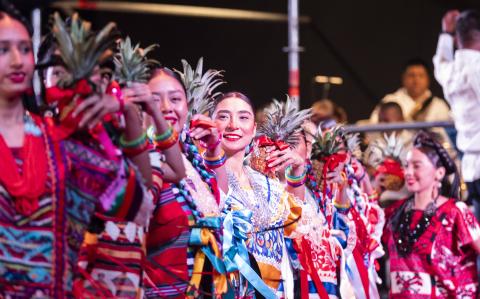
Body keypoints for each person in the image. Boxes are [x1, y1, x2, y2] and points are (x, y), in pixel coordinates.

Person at [0, 2, 153, 298]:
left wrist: (104, 126)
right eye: (3, 50)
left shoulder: (62, 144)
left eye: (24, 48)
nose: (18, 60)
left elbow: (137, 205)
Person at [142, 67, 228, 298]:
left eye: (175, 99)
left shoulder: (189, 160)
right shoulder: (139, 161)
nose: (166, 108)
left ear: (187, 106)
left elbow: (218, 205)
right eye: (154, 100)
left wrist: (213, 149)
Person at [212, 92, 308, 298]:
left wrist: (298, 169)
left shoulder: (266, 183)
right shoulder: (204, 177)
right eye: (223, 116)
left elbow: (295, 224)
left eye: (243, 117)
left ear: (254, 128)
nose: (233, 125)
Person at [383, 131, 480, 298]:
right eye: (406, 165)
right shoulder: (395, 211)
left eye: (417, 165)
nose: (408, 172)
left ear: (439, 173)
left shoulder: (455, 212)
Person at [433, 9, 480, 221]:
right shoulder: (476, 68)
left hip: (472, 168)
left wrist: (445, 34)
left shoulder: (451, 71)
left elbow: (440, 63)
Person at [370, 58, 450, 124]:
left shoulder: (439, 105)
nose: (416, 80)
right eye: (411, 75)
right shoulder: (390, 100)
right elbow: (374, 124)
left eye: (421, 76)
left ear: (428, 80)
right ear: (403, 78)